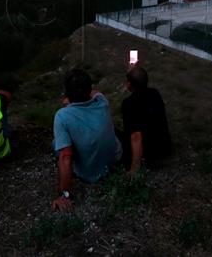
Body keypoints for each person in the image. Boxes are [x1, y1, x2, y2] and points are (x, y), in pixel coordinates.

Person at [51, 68, 122, 211]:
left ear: (67, 93)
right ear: (89, 90)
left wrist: (64, 195)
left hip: (89, 173)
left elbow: (66, 157)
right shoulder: (102, 101)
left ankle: (64, 193)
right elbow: (96, 92)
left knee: (56, 144)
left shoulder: (62, 116)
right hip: (115, 160)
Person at [119, 65, 172, 174]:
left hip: (148, 153)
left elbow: (136, 136)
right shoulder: (155, 93)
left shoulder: (129, 104)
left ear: (129, 84)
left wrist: (134, 169)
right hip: (163, 147)